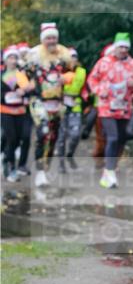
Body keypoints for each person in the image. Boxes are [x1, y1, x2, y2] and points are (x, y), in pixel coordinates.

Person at [87, 33, 133, 189]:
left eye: (126, 47)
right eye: (121, 47)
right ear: (115, 47)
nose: (123, 50)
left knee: (121, 138)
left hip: (125, 107)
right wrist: (99, 90)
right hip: (106, 106)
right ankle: (110, 172)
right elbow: (92, 79)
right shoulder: (104, 62)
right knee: (112, 137)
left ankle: (109, 169)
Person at [24, 23, 73, 187]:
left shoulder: (64, 54)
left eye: (54, 38)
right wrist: (25, 86)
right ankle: (38, 171)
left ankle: (44, 170)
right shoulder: (34, 55)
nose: (52, 41)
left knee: (53, 138)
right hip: (39, 101)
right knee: (43, 132)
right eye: (48, 38)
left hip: (57, 103)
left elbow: (72, 71)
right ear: (43, 39)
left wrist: (66, 78)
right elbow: (18, 73)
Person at [1, 46, 32, 182]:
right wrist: (6, 95)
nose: (13, 61)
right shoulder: (1, 75)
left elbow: (32, 90)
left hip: (21, 111)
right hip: (6, 111)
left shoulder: (22, 75)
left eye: (15, 58)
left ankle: (18, 164)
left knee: (24, 137)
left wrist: (25, 91)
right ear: (5, 60)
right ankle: (10, 167)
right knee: (11, 138)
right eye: (10, 58)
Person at [56, 48, 87, 171]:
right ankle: (61, 163)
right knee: (62, 136)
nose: (72, 59)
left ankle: (70, 154)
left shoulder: (82, 72)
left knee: (75, 134)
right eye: (69, 57)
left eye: (74, 57)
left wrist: (86, 94)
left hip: (76, 106)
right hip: (61, 106)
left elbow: (85, 88)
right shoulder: (59, 72)